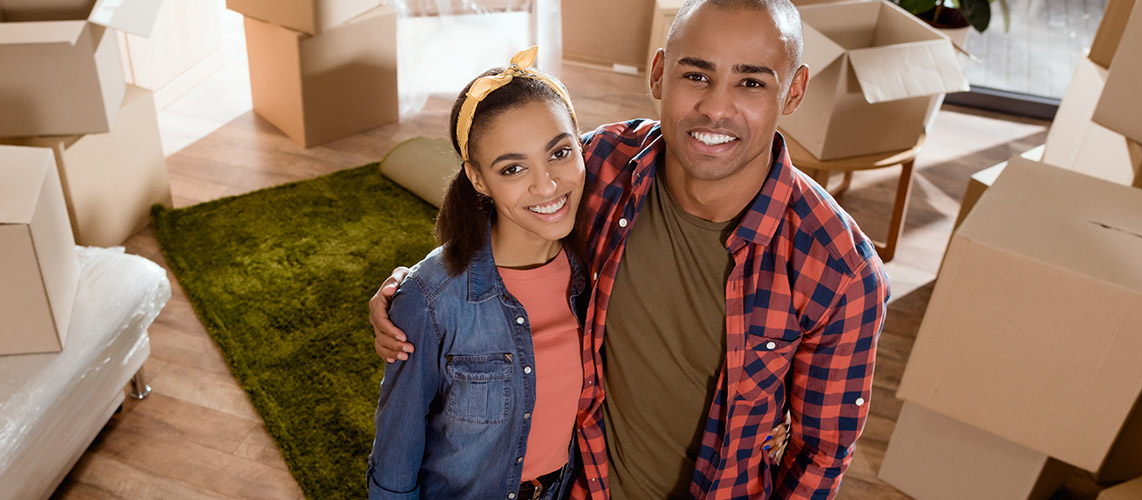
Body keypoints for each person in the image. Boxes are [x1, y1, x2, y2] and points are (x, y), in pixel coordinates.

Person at [369, 0, 890, 498]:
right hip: (576, 485)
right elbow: (511, 198)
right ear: (659, 73)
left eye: (751, 81)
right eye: (696, 75)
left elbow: (820, 455)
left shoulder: (842, 272)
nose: (715, 107)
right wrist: (410, 294)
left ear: (794, 92)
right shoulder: (603, 164)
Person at [366, 47, 589, 500]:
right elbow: (396, 452)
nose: (547, 185)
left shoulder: (597, 266)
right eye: (513, 167)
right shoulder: (431, 299)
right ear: (478, 178)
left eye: (560, 152)